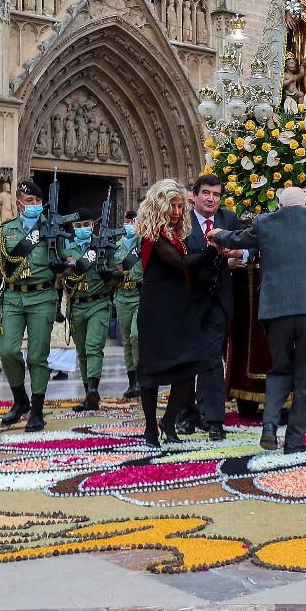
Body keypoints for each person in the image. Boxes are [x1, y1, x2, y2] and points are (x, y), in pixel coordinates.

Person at [212, 186, 306, 452]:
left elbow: (237, 239)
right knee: (305, 377)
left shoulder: (264, 222)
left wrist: (217, 234)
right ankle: (294, 440)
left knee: (279, 368)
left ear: (279, 206)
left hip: (276, 310)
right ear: (305, 205)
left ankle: (269, 425)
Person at [134, 178, 223, 447]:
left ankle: (169, 421)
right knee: (151, 371)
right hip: (157, 309)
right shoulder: (153, 236)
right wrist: (209, 252)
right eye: (171, 206)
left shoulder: (176, 235)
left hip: (181, 307)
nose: (176, 211)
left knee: (189, 366)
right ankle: (151, 428)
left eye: (179, 206)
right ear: (159, 207)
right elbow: (178, 262)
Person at [0, 180, 65, 433]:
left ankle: (37, 410)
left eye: (37, 201)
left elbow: (67, 261)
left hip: (42, 296)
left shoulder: (52, 229)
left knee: (36, 355)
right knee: (8, 350)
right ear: (18, 203)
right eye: (28, 201)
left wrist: (63, 270)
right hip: (12, 296)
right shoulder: (6, 230)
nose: (33, 205)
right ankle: (20, 399)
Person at [183, 173, 243, 439]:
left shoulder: (228, 219)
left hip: (218, 300)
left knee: (212, 358)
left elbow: (247, 244)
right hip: (188, 300)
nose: (211, 199)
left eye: (216, 194)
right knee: (186, 358)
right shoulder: (181, 221)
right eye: (206, 193)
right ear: (194, 195)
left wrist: (238, 253)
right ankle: (187, 414)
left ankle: (215, 419)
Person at [60, 214, 117, 413]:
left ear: (92, 225)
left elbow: (119, 272)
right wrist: (66, 269)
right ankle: (88, 395)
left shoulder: (103, 246)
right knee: (82, 352)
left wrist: (110, 275)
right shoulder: (66, 249)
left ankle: (93, 388)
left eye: (86, 224)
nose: (83, 228)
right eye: (79, 225)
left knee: (93, 347)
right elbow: (59, 278)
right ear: (73, 227)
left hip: (98, 303)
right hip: (76, 305)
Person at [112, 211, 144, 399]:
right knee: (126, 341)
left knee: (136, 336)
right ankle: (132, 381)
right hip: (122, 296)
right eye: (128, 221)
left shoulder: (142, 244)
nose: (131, 224)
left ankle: (141, 377)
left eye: (135, 221)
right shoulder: (115, 247)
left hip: (139, 295)